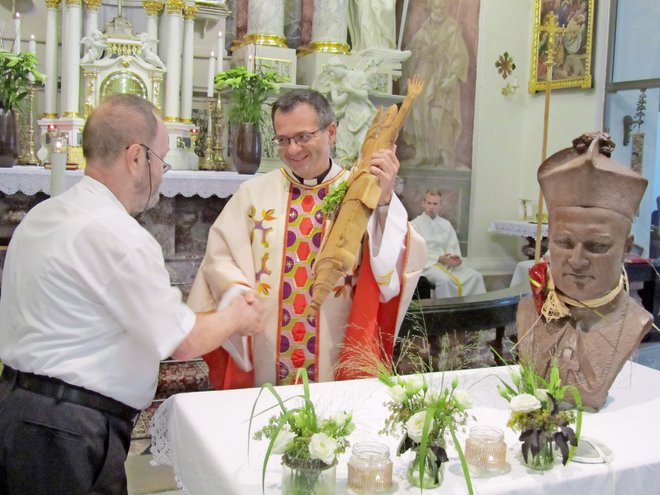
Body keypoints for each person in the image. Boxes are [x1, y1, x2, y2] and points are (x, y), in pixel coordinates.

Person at [0, 94, 263, 494]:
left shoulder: (44, 214)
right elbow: (183, 341)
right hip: (68, 431)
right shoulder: (120, 237)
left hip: (17, 411)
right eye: (161, 160)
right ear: (136, 156)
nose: (162, 174)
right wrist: (237, 315)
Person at [188, 88, 426, 389]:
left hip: (335, 346)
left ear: (331, 131)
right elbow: (220, 257)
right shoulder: (253, 194)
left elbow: (393, 263)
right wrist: (236, 293)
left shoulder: (359, 188)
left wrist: (385, 197)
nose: (292, 149)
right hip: (266, 351)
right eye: (283, 140)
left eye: (302, 137)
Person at [517, 132, 652, 411]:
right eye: (564, 242)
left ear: (626, 247)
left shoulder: (635, 320)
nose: (576, 261)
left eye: (597, 246)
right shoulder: (529, 312)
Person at [401, 0, 469, 168]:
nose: (439, 10)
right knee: (418, 112)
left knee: (439, 114)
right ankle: (421, 153)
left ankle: (446, 154)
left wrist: (452, 78)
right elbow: (411, 52)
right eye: (436, 7)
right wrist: (414, 55)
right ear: (431, 8)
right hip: (422, 77)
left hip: (441, 78)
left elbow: (461, 56)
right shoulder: (424, 29)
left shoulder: (452, 29)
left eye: (442, 7)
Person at [411, 188, 486, 298]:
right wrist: (438, 258)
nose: (432, 207)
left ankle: (472, 311)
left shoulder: (446, 224)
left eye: (435, 204)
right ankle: (447, 314)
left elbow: (452, 245)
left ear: (440, 205)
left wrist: (454, 257)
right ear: (423, 204)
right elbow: (416, 251)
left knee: (476, 276)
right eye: (429, 203)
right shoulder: (414, 225)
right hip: (428, 266)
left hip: (447, 264)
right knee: (445, 280)